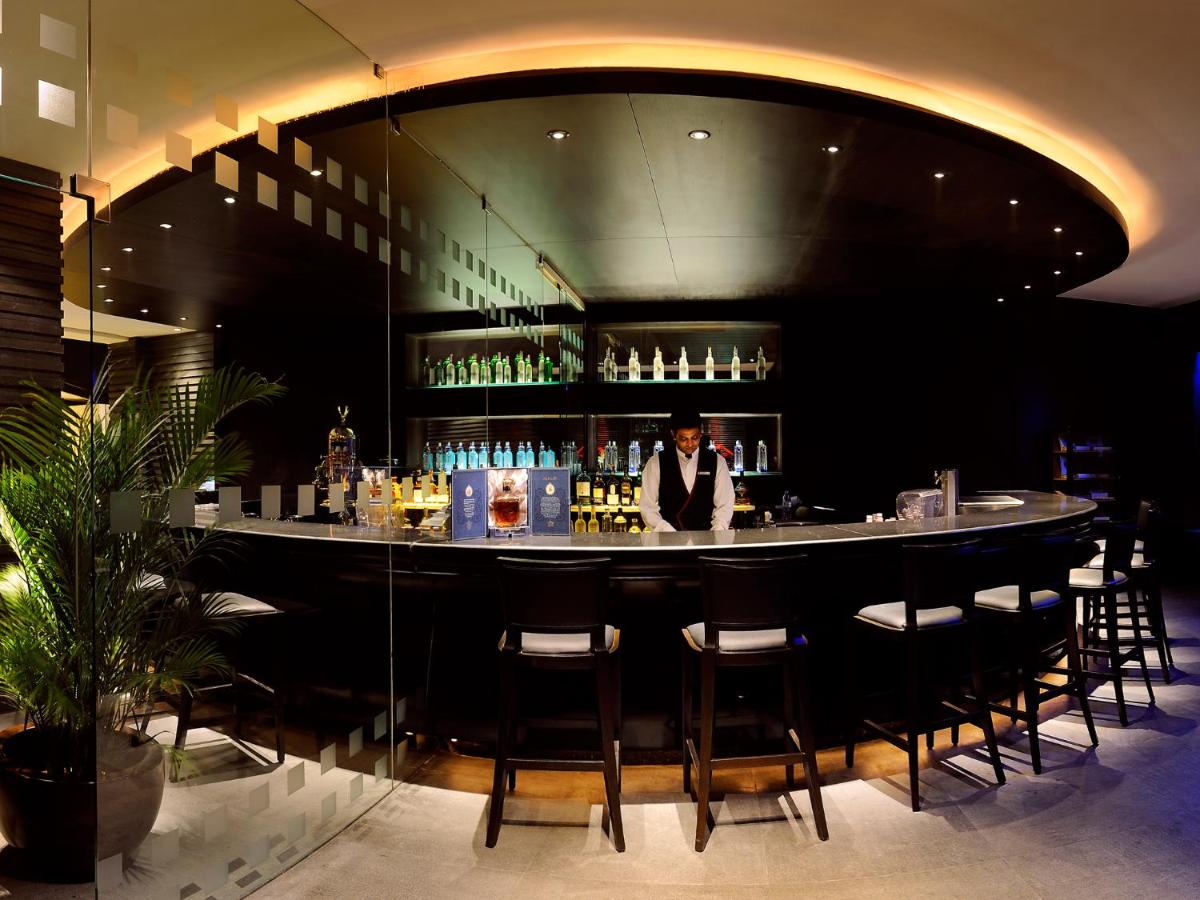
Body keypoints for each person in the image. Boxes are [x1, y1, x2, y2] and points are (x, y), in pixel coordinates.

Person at [638, 409, 734, 532]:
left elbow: (725, 504)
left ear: (700, 433)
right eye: (683, 439)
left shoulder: (717, 462)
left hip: (706, 540)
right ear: (673, 435)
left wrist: (716, 534)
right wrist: (667, 532)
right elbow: (647, 507)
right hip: (669, 541)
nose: (690, 444)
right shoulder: (656, 463)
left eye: (694, 437)